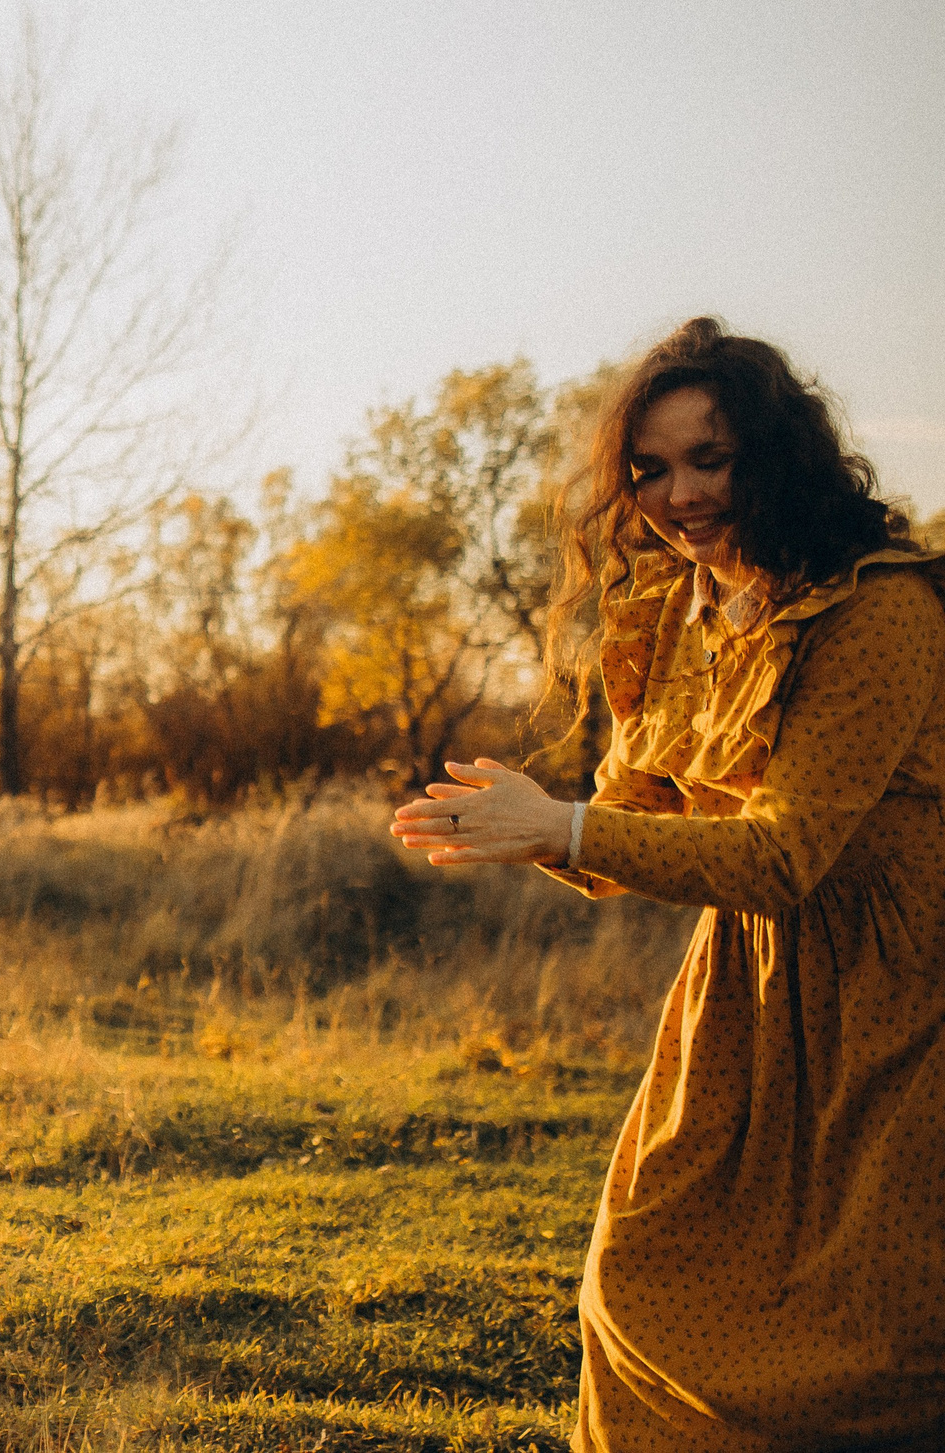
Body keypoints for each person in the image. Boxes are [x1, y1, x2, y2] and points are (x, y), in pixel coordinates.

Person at [388, 318, 944, 1451]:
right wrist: (530, 828)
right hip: (746, 998)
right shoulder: (682, 608)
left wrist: (564, 826)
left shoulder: (879, 610)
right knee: (640, 1277)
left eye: (709, 459)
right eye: (647, 469)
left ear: (774, 456)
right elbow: (636, 826)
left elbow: (781, 856)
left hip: (898, 998)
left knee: (866, 1340)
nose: (677, 495)